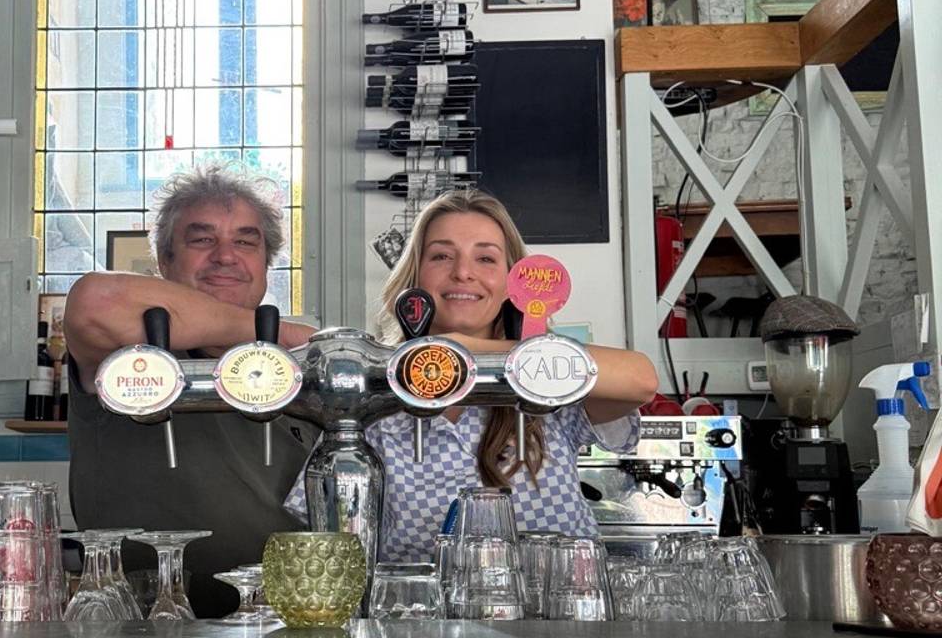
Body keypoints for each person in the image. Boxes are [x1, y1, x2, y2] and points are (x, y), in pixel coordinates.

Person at [287, 190, 658, 562]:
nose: (463, 272)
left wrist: (467, 351)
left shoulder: (546, 378)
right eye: (441, 256)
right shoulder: (376, 395)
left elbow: (640, 380)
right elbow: (333, 536)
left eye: (485, 258)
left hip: (557, 613)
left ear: (512, 282)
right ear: (414, 275)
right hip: (417, 616)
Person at [63, 166, 319, 618]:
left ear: (265, 263)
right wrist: (289, 336)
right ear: (164, 261)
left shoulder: (303, 369)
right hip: (145, 622)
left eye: (246, 241)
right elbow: (94, 303)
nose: (226, 256)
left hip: (287, 621)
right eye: (202, 240)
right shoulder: (130, 356)